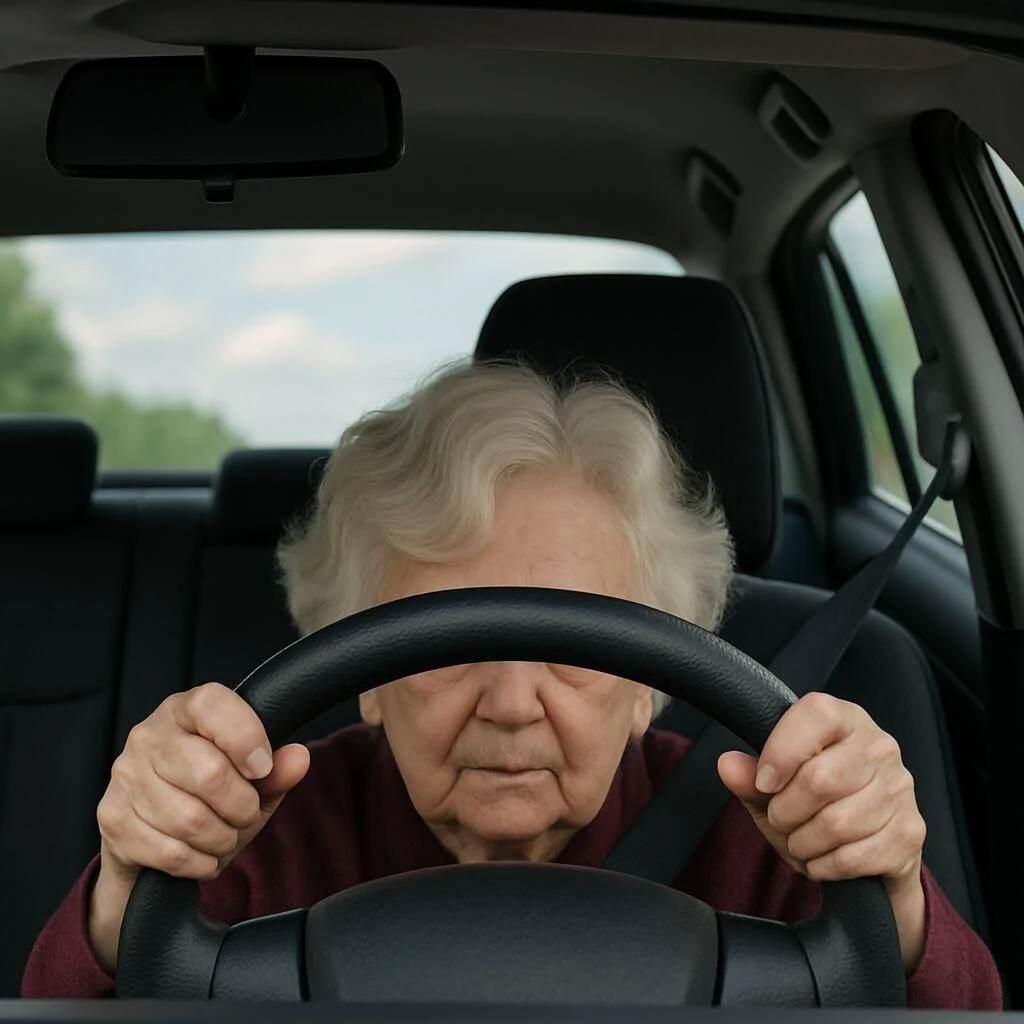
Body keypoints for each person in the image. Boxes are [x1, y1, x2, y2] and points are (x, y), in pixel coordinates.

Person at [22, 362, 1001, 1006]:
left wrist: (893, 890)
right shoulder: (250, 828)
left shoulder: (774, 826)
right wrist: (125, 885)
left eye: (580, 646)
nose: (509, 702)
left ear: (652, 684)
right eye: (444, 644)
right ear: (360, 675)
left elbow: (966, 1012)